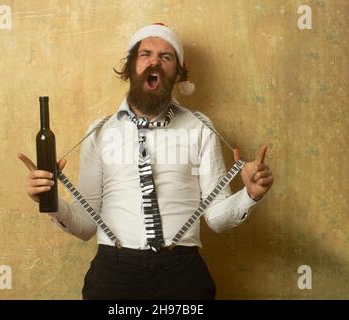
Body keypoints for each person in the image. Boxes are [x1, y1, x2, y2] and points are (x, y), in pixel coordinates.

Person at [18, 24, 274, 300]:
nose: (155, 61)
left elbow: (216, 219)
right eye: (146, 54)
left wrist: (249, 195)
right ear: (130, 68)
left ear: (178, 73)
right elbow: (85, 226)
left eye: (166, 57)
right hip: (113, 274)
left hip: (182, 274)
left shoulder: (199, 128)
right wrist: (50, 199)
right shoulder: (101, 132)